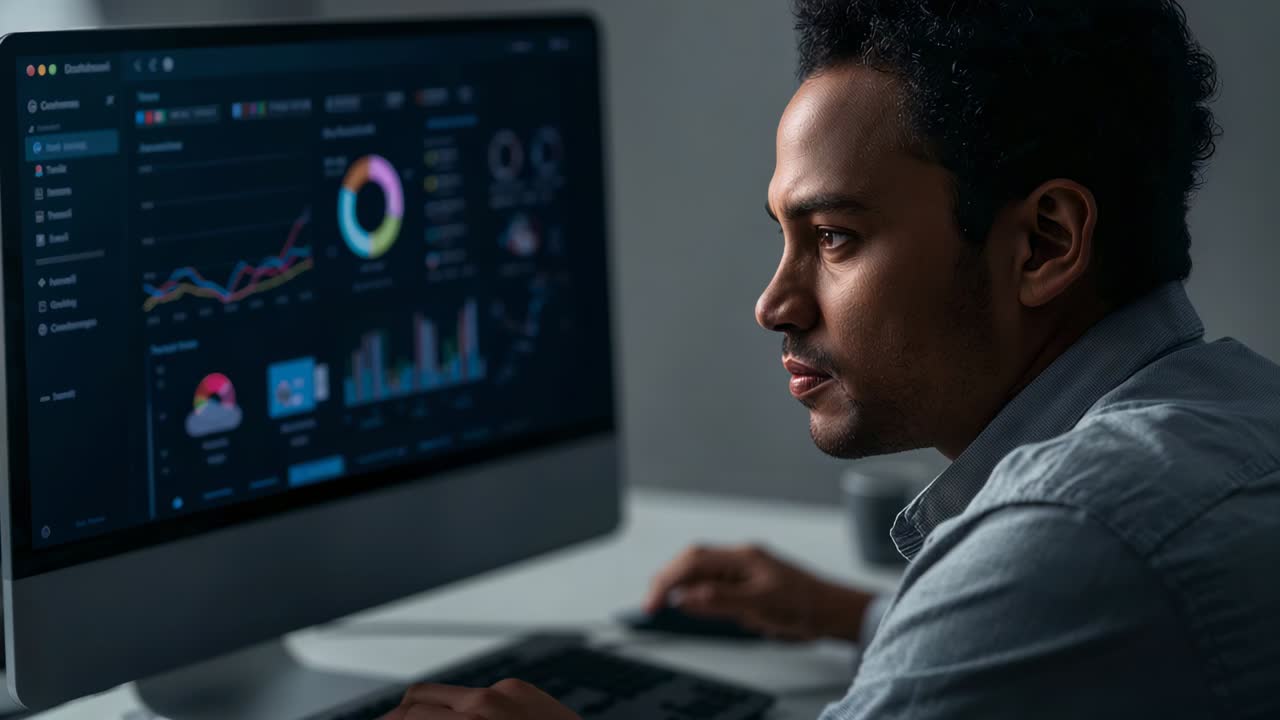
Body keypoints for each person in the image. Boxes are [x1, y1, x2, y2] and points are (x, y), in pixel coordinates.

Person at [384, 0, 1280, 718]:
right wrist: (859, 616)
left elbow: (1066, 576)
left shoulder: (1071, 539)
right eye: (785, 237)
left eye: (836, 237)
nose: (775, 303)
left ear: (1045, 243)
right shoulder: (1233, 421)